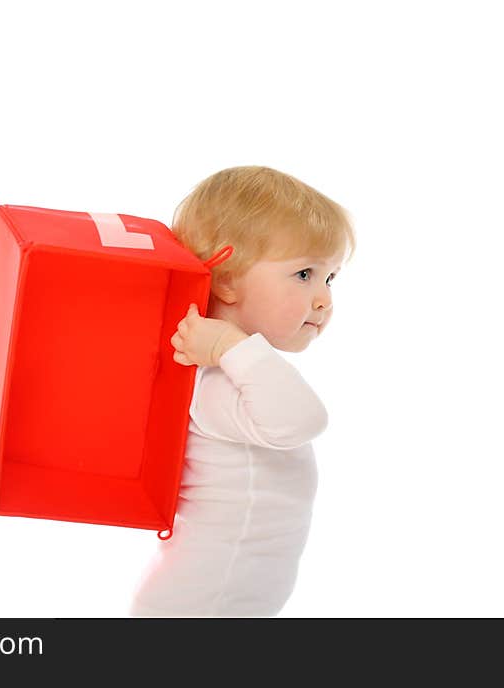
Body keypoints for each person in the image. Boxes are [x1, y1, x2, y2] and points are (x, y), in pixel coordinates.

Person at [129, 165, 356, 616]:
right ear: (228, 280)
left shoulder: (237, 376)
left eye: (330, 279)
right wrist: (234, 346)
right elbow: (304, 421)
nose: (324, 298)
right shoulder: (215, 384)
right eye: (305, 274)